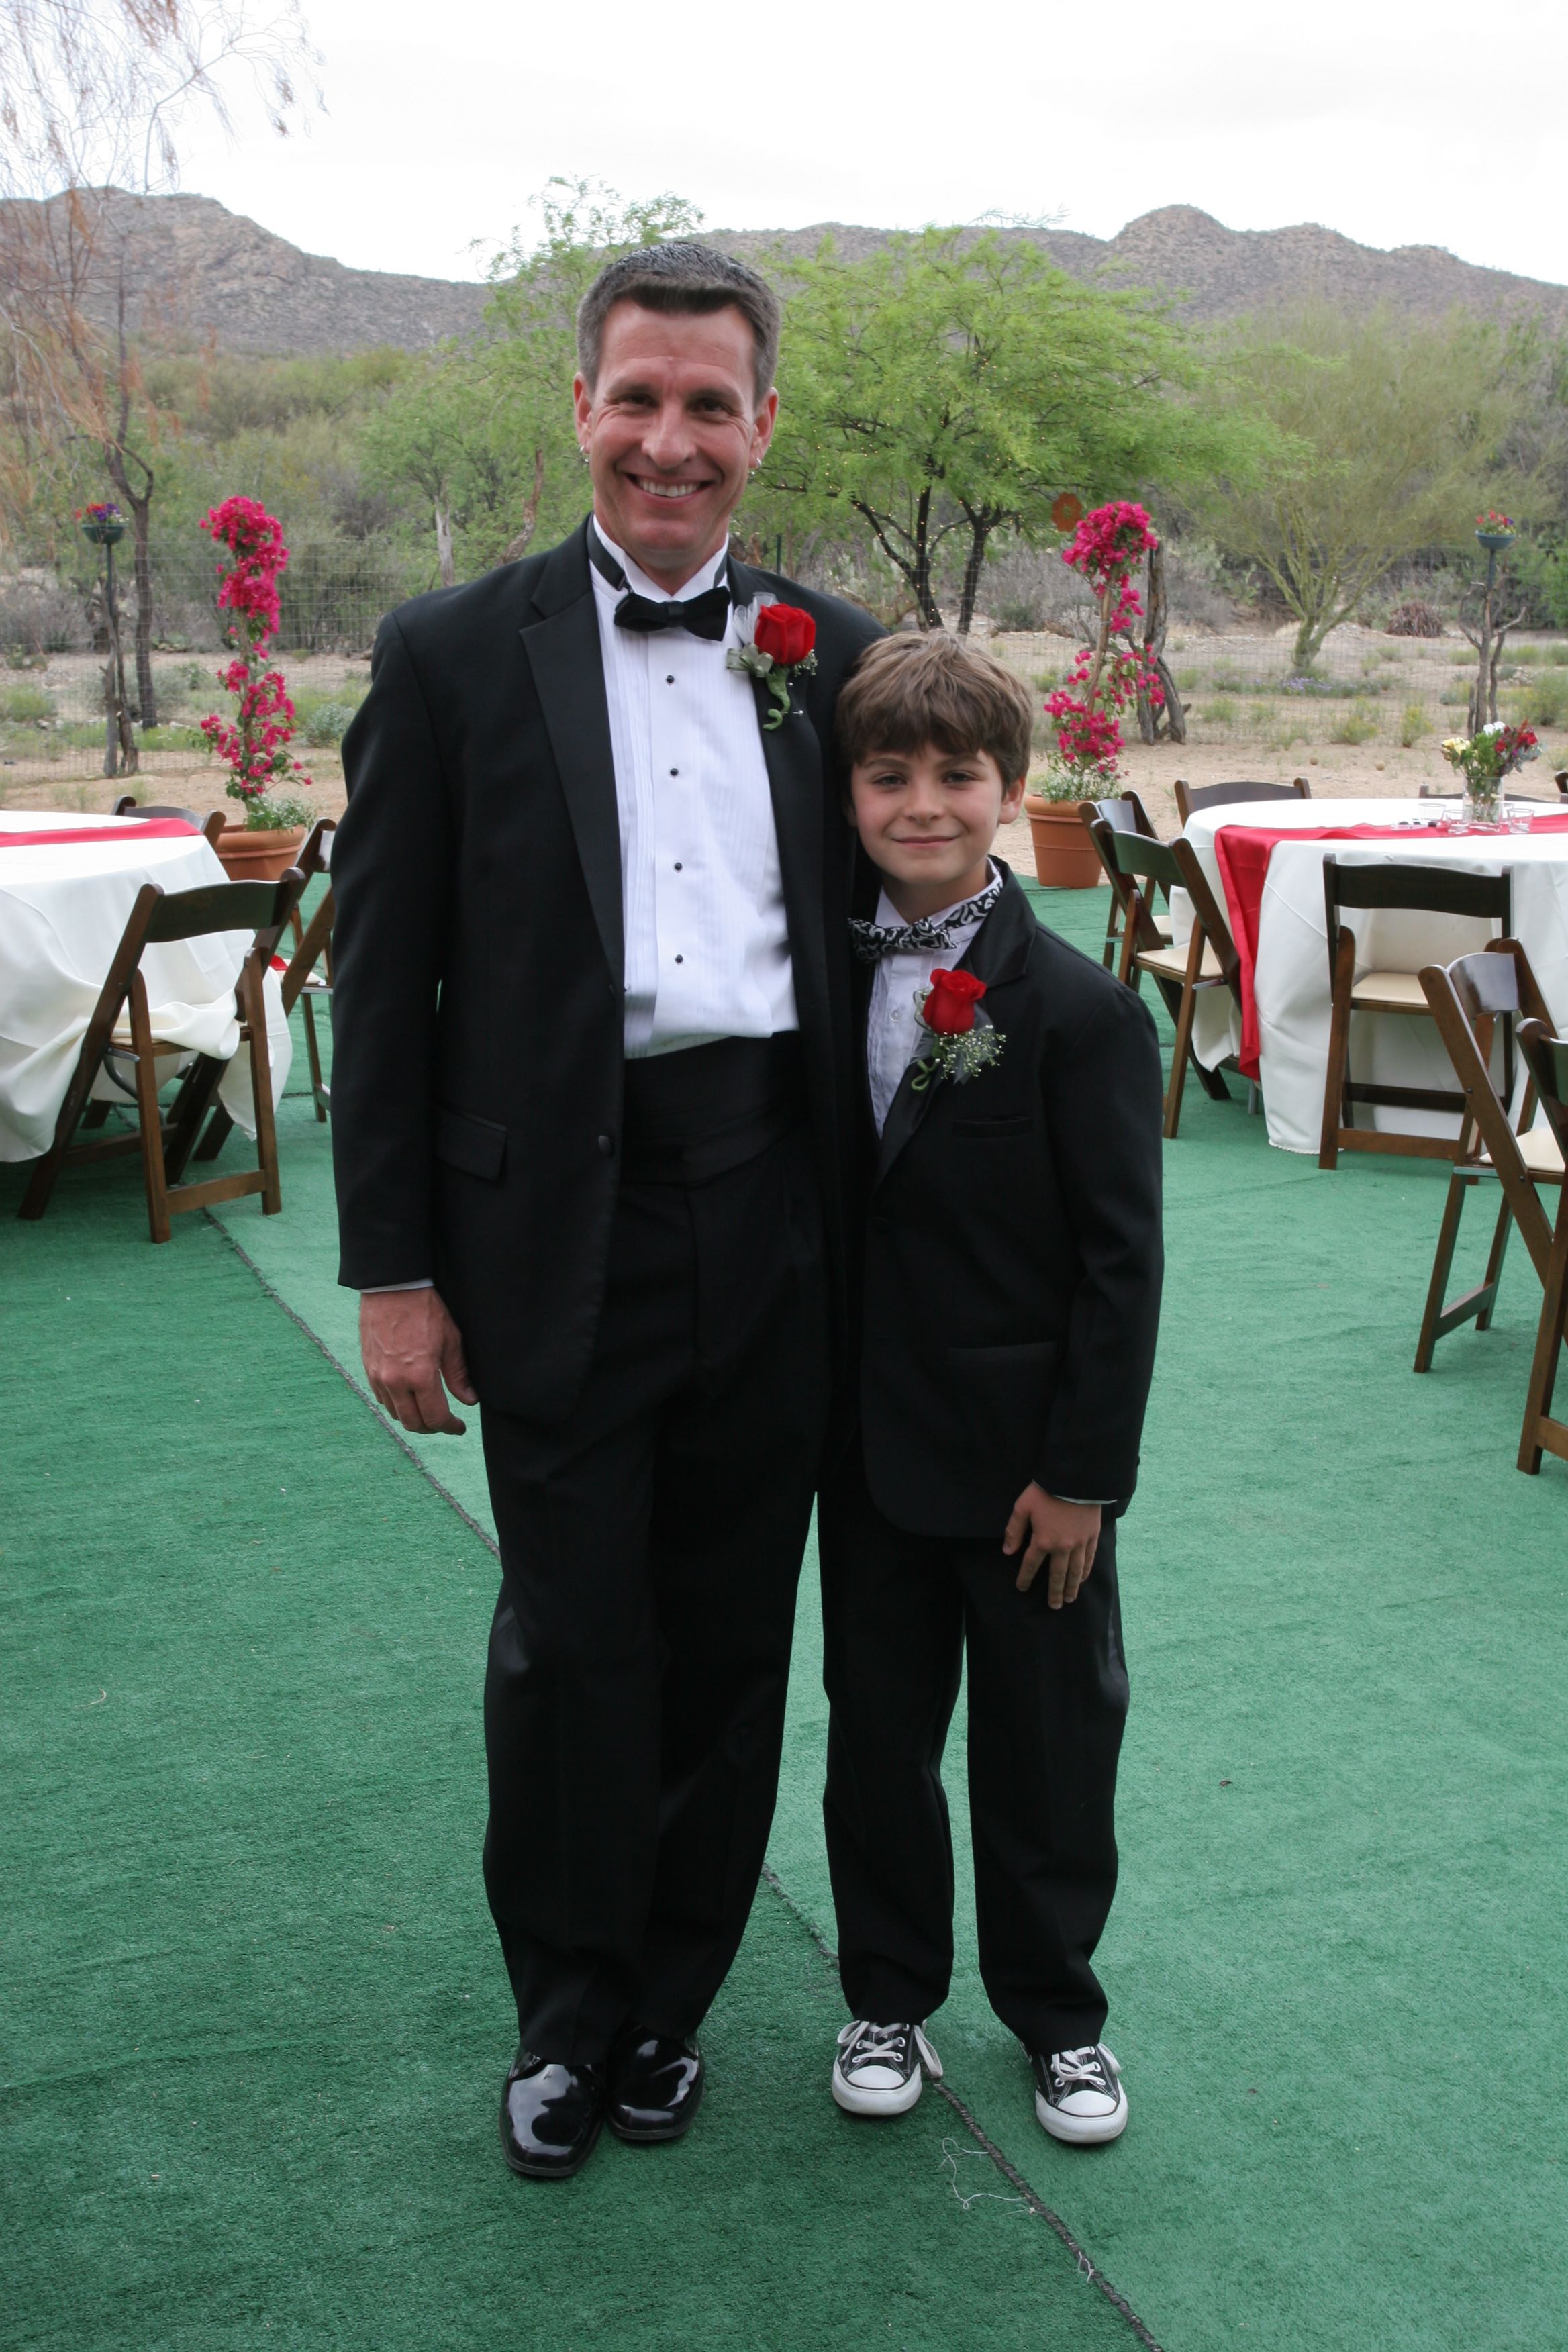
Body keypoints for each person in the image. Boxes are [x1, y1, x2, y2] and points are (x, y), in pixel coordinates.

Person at [328, 242, 882, 2179]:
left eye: (708, 404)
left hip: (778, 1216)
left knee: (731, 1644)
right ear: (580, 408)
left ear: (762, 425)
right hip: (551, 1228)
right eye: (636, 398)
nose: (669, 439)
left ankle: (670, 2003)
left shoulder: (835, 651)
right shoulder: (447, 653)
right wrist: (394, 1271)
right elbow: (378, 984)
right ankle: (564, 2015)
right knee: (574, 1641)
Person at [820, 633, 1163, 2145]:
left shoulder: (1079, 1011)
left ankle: (1059, 2017)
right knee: (876, 1741)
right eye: (887, 776)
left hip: (1031, 1473)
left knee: (1049, 1749)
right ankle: (886, 1994)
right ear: (847, 795)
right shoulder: (812, 984)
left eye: (956, 776)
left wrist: (1084, 1476)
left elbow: (1121, 1267)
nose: (921, 806)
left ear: (1011, 791)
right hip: (866, 1457)